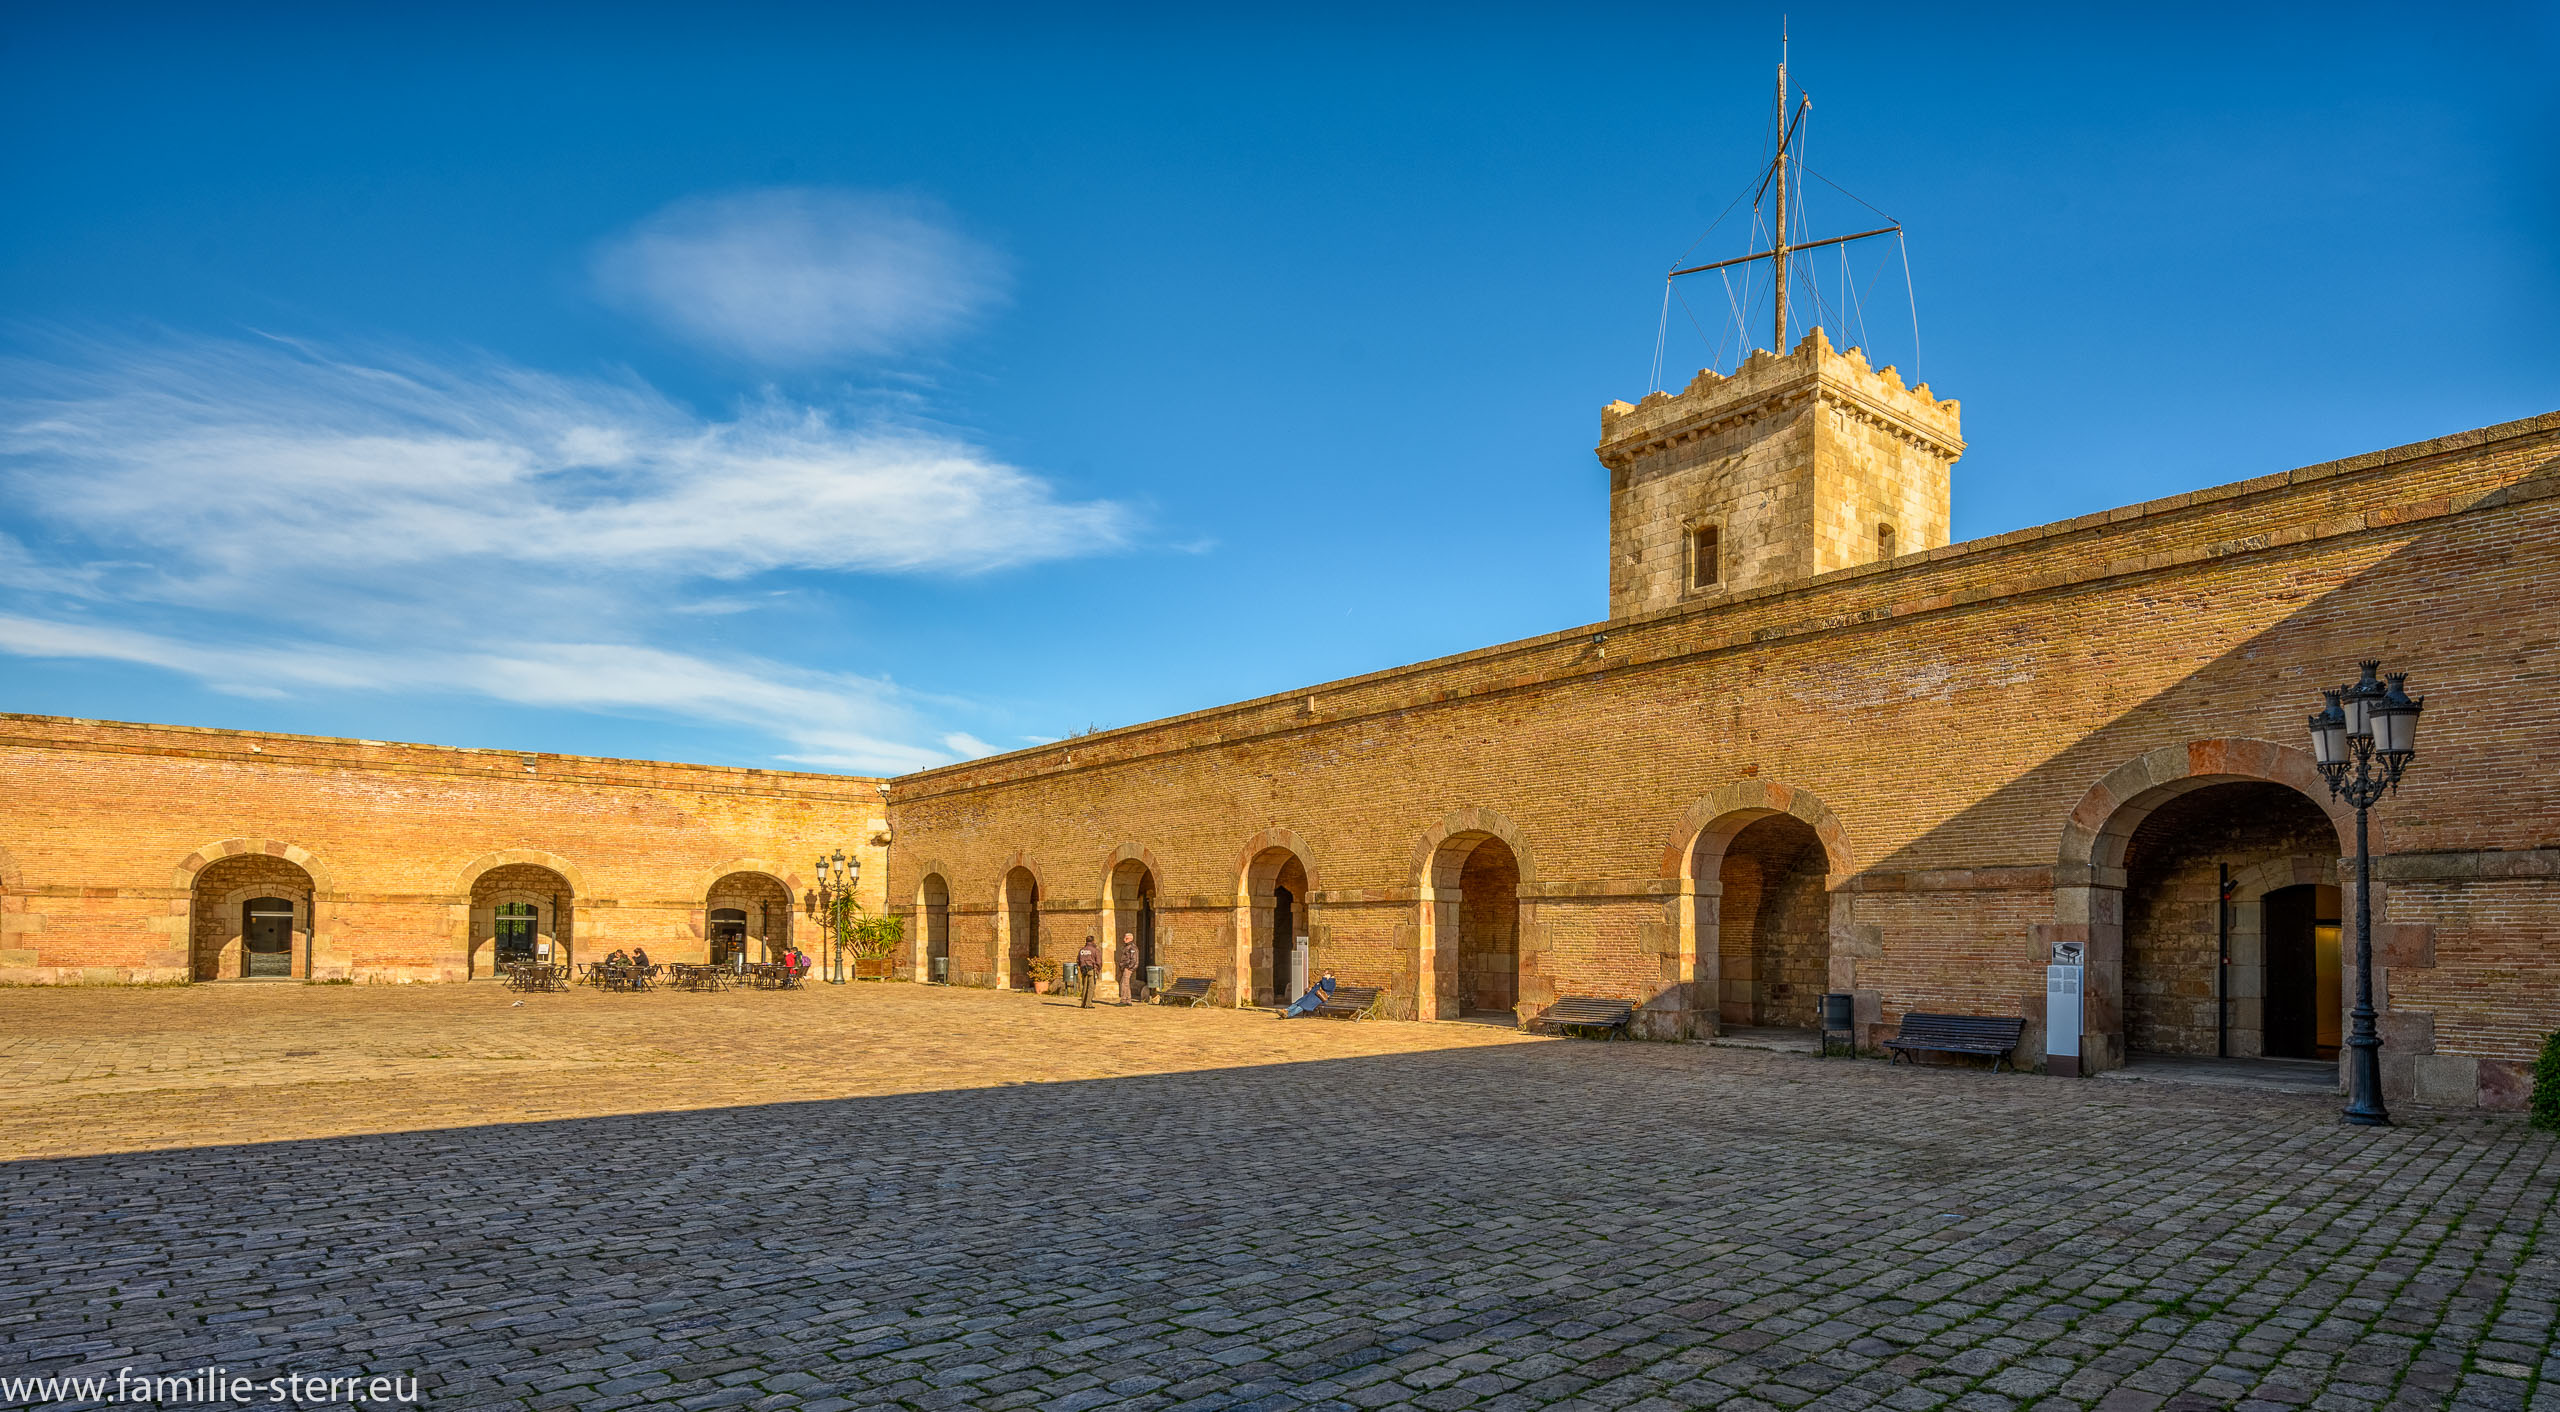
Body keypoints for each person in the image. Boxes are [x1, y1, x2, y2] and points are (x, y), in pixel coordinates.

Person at [1115, 932, 1142, 1005]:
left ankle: (1124, 1000)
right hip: (1125, 967)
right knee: (1126, 983)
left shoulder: (1132, 947)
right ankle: (1128, 1000)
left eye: (1126, 938)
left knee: (1124, 983)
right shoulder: (1127, 947)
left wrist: (1128, 967)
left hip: (1128, 968)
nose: (1124, 940)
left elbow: (1133, 959)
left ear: (1130, 939)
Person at [1076, 936, 1101, 1007]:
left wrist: (1081, 967)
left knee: (1084, 986)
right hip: (1091, 969)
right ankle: (1088, 1003)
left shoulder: (1082, 950)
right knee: (1091, 987)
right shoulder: (1095, 950)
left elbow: (1078, 961)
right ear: (1093, 941)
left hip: (1083, 970)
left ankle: (1083, 1003)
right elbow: (1099, 962)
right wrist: (1098, 970)